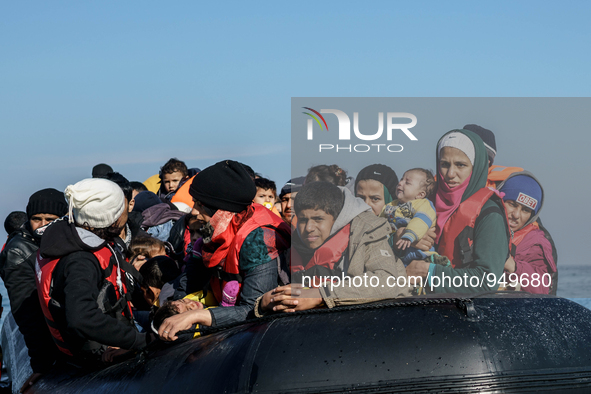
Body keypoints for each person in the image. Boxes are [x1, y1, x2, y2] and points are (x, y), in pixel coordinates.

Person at [157, 160, 290, 341]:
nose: (194, 212)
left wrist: (196, 316)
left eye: (199, 204)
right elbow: (188, 285)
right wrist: (172, 314)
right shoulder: (211, 234)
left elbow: (255, 308)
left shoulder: (258, 239)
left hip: (262, 334)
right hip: (229, 323)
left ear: (221, 209)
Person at [36, 178, 152, 368]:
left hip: (113, 332)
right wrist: (139, 341)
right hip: (98, 352)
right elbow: (81, 318)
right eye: (120, 206)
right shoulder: (81, 260)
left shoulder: (65, 238)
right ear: (111, 217)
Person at [257, 181, 412, 314]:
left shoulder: (366, 232)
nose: (309, 228)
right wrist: (264, 303)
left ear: (337, 218)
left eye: (318, 219)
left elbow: (386, 281)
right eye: (303, 220)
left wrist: (321, 295)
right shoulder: (290, 242)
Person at [405, 129, 510, 293]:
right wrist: (401, 238)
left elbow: (487, 280)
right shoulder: (422, 202)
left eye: (460, 165)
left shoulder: (489, 214)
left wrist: (429, 272)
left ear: (476, 168)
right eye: (444, 164)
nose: (450, 174)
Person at [0, 189, 67, 389]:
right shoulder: (18, 252)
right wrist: (41, 364)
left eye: (50, 219)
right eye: (36, 219)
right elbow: (27, 314)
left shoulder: (62, 241)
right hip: (54, 342)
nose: (43, 225)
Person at [497, 173, 556, 294]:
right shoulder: (479, 225)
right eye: (512, 205)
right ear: (499, 201)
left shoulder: (536, 243)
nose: (516, 215)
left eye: (525, 210)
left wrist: (513, 266)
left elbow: (542, 287)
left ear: (532, 216)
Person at [380, 168, 439, 266]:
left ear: (420, 194)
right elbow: (379, 223)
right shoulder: (390, 206)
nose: (400, 183)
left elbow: (421, 220)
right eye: (401, 179)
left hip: (417, 252)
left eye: (407, 182)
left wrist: (410, 234)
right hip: (396, 252)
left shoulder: (423, 204)